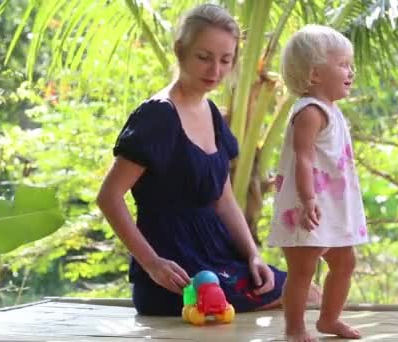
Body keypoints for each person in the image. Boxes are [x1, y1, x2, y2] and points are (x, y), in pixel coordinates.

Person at [96, 4, 288, 316]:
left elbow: (223, 200)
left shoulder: (212, 114)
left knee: (304, 290)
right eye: (204, 57)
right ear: (180, 50)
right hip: (177, 272)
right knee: (297, 295)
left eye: (225, 60)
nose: (215, 70)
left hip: (219, 258)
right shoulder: (158, 115)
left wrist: (253, 255)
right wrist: (152, 263)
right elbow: (108, 197)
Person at [269, 25, 369, 341]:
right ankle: (295, 329)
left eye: (350, 64)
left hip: (332, 205)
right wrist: (308, 198)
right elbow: (304, 158)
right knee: (303, 268)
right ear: (314, 75)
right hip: (307, 203)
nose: (350, 71)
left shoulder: (332, 110)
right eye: (342, 64)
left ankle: (328, 319)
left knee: (345, 261)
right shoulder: (310, 112)